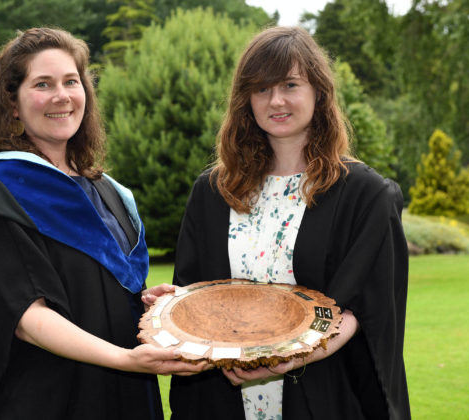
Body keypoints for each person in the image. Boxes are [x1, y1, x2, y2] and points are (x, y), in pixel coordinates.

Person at [0, 27, 204, 420]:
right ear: (13, 104)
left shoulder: (110, 194)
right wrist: (126, 359)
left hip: (124, 395)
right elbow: (26, 317)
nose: (61, 95)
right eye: (43, 84)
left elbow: (98, 291)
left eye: (71, 81)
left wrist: (148, 307)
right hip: (47, 400)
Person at [169, 26, 410, 419]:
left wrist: (292, 358)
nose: (276, 100)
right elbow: (195, 294)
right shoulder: (213, 192)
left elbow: (364, 308)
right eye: (262, 89)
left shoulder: (364, 195)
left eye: (290, 85)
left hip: (322, 395)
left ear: (319, 91)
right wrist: (175, 305)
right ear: (246, 100)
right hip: (224, 398)